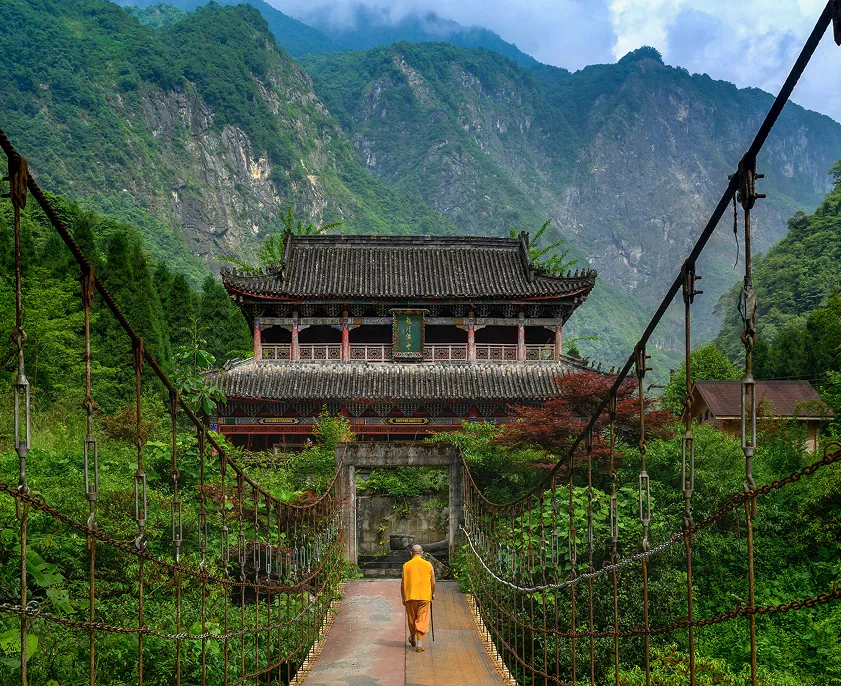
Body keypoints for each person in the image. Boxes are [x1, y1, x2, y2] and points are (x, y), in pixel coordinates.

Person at [401, 543, 436, 652]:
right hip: (424, 597)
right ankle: (419, 644)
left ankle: (412, 638)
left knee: (411, 620)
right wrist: (432, 593)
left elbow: (402, 583)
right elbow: (433, 583)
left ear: (411, 553)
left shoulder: (406, 565)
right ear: (422, 553)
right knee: (422, 619)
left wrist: (403, 597)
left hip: (410, 596)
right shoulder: (428, 565)